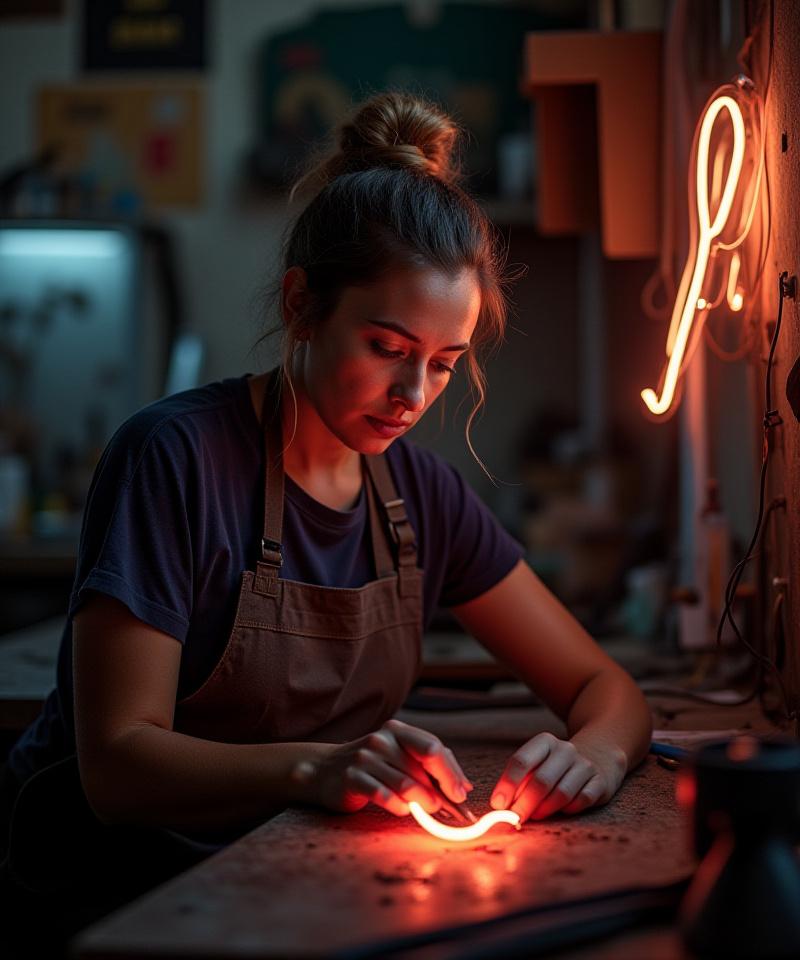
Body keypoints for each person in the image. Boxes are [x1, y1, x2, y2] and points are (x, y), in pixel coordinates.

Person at [0, 91, 651, 940]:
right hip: (118, 890)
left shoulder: (421, 494)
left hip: (282, 874)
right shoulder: (174, 459)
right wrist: (315, 770)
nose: (413, 396)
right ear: (301, 304)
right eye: (387, 349)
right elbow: (116, 767)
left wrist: (592, 754)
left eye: (444, 364)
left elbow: (608, 690)